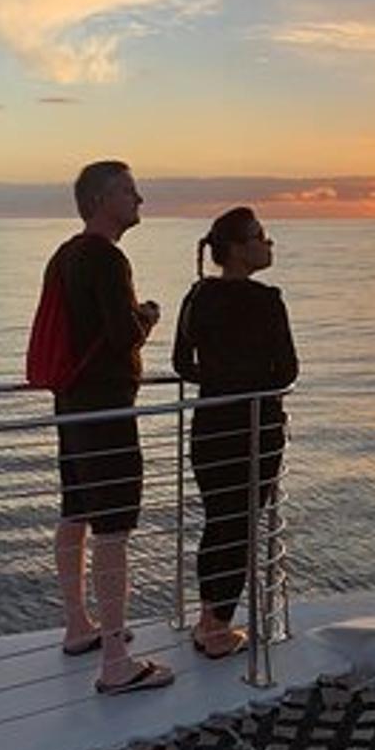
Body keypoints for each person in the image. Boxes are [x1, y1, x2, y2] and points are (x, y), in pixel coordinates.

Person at [45, 160, 173, 694]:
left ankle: (79, 625)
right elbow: (122, 336)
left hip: (72, 403)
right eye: (128, 191)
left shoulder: (66, 254)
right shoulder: (107, 257)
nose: (139, 199)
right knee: (114, 528)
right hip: (106, 409)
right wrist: (148, 315)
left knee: (76, 510)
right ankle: (116, 661)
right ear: (100, 200)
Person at [173, 207, 298, 659]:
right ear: (239, 249)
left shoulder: (197, 295)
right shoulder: (267, 301)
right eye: (261, 237)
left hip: (210, 425)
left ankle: (208, 618)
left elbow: (182, 364)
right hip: (255, 428)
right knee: (240, 527)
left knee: (217, 522)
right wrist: (250, 382)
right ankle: (218, 630)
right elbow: (287, 371)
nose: (269, 243)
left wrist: (220, 379)